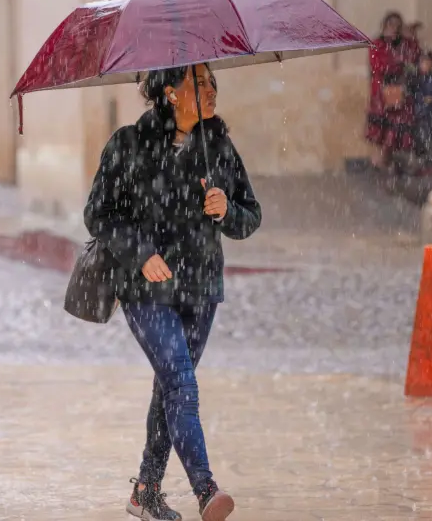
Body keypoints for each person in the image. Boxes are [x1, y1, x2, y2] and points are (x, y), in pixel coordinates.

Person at [84, 63, 262, 521]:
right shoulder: (128, 144)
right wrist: (141, 252)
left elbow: (250, 215)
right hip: (147, 289)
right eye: (198, 81)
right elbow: (98, 214)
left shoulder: (217, 144)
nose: (210, 88)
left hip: (202, 289)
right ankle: (206, 490)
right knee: (182, 382)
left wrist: (226, 210)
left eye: (211, 80)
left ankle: (146, 490)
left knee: (171, 387)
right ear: (169, 92)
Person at [366, 11, 422, 172]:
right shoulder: (377, 44)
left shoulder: (406, 43)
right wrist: (399, 64)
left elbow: (414, 57)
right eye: (391, 25)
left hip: (401, 91)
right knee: (382, 129)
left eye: (398, 25)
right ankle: (381, 161)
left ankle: (390, 162)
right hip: (382, 92)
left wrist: (412, 37)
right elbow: (379, 65)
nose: (394, 28)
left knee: (398, 128)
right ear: (385, 26)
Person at [412, 51, 432, 173]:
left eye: (426, 63)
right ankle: (426, 161)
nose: (423, 65)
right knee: (423, 137)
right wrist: (421, 99)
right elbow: (416, 93)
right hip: (422, 113)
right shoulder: (418, 79)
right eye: (422, 63)